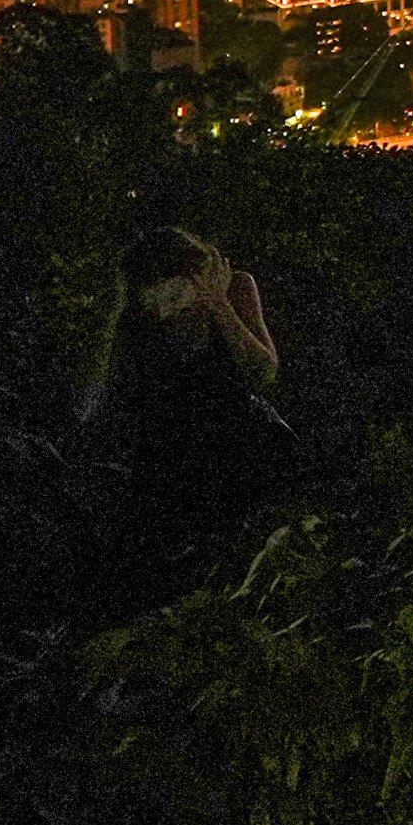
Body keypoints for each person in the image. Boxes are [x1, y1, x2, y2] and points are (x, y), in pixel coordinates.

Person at [77, 222, 301, 617]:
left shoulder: (235, 289)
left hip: (245, 436)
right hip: (180, 443)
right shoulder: (147, 316)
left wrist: (220, 307)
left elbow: (262, 370)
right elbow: (125, 394)